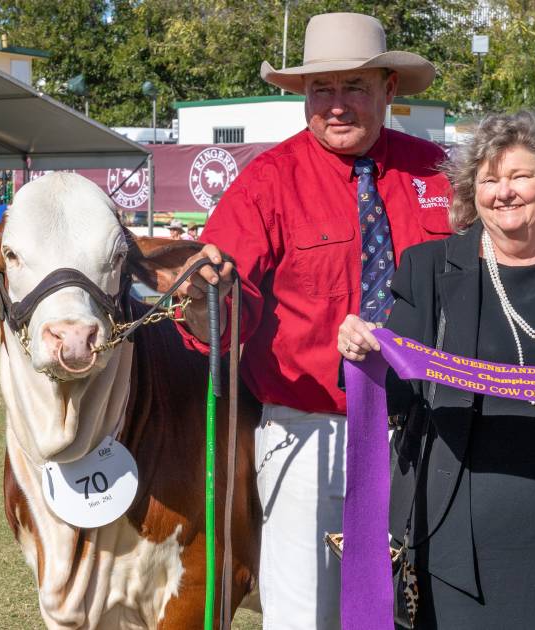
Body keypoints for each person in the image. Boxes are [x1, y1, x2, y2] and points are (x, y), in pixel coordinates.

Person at [168, 12, 453, 629]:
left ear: (389, 89)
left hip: (433, 431)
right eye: (322, 88)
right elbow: (222, 303)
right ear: (303, 95)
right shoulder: (265, 183)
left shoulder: (438, 172)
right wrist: (202, 300)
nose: (338, 104)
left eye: (355, 86)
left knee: (436, 603)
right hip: (311, 433)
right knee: (307, 617)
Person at [338, 112, 535, 629]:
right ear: (470, 193)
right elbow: (399, 396)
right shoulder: (431, 267)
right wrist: (363, 356)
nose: (505, 192)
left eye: (520, 176)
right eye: (489, 180)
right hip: (458, 532)